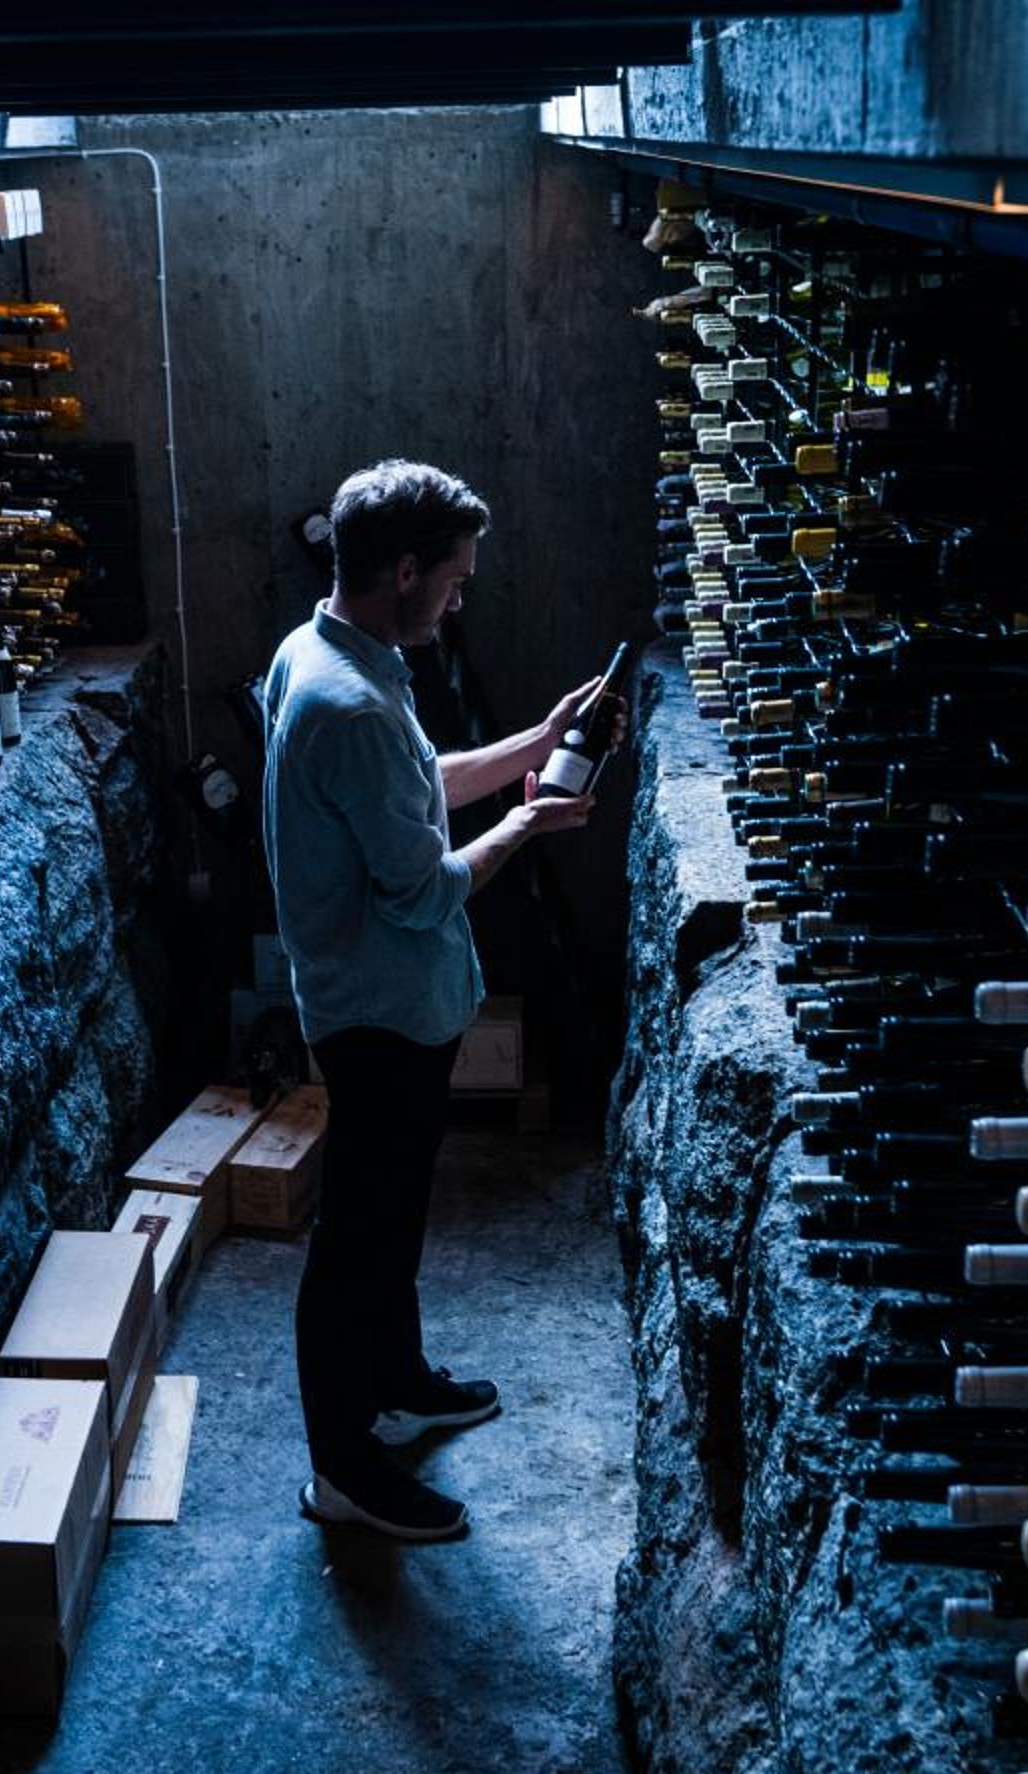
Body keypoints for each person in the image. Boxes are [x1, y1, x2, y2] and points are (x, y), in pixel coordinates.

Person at [260, 459, 624, 1542]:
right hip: (377, 1016)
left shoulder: (325, 652)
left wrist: (537, 743)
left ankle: (398, 1381)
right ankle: (343, 1469)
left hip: (389, 1004)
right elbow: (422, 890)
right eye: (455, 580)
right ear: (407, 569)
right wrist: (529, 823)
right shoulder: (350, 706)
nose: (461, 599)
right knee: (356, 1238)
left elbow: (418, 783)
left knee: (394, 1209)